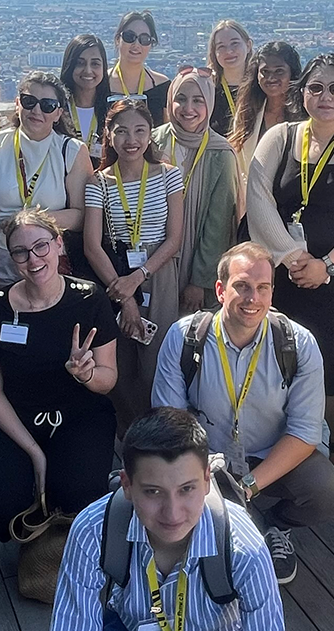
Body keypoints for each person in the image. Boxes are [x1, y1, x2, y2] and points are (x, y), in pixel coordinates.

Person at [152, 241, 334, 583]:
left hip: (270, 457)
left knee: (327, 490)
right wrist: (204, 478)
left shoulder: (298, 344)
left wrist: (244, 489)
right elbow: (170, 422)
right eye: (241, 286)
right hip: (204, 459)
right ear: (220, 290)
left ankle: (276, 525)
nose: (252, 298)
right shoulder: (185, 337)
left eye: (262, 288)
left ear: (272, 292)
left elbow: (304, 433)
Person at [47, 407, 289, 631]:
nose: (172, 513)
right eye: (153, 491)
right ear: (127, 485)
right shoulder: (94, 529)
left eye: (186, 489)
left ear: (207, 480)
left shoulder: (245, 548)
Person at [242, 53, 334, 484]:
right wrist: (291, 257)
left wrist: (329, 265)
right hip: (278, 277)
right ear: (302, 94)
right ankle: (279, 440)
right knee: (277, 358)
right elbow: (258, 198)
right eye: (316, 88)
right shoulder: (280, 137)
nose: (326, 96)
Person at [0, 208, 121, 540]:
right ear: (12, 258)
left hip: (79, 415)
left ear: (59, 244)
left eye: (41, 246)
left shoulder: (89, 298)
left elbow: (109, 380)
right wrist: (35, 452)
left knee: (78, 494)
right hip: (16, 416)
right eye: (21, 252)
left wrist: (86, 375)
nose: (33, 259)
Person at [83, 100, 187, 430]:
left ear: (150, 134)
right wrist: (126, 296)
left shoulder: (169, 175)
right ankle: (131, 432)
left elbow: (174, 239)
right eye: (122, 131)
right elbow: (91, 245)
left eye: (140, 131)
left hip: (158, 271)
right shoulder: (98, 182)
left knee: (158, 356)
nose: (132, 140)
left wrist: (140, 276)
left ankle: (164, 428)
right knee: (121, 360)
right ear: (109, 136)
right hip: (114, 273)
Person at [0, 71, 90, 295]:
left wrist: (28, 221)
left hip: (51, 265)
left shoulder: (72, 151)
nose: (36, 110)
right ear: (17, 104)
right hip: (0, 265)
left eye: (47, 105)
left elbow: (82, 216)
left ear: (58, 113)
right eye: (29, 101)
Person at [152, 68, 239, 314]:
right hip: (154, 257)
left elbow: (219, 225)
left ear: (209, 104)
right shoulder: (153, 142)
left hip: (196, 262)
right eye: (181, 98)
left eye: (198, 100)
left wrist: (200, 280)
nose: (188, 108)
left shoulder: (220, 153)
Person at [227, 41, 303, 180]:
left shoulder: (305, 114)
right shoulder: (246, 113)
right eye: (265, 72)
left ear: (292, 74)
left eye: (279, 71)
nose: (271, 78)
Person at [108, 10, 172, 125]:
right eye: (129, 37)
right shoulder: (100, 84)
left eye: (144, 39)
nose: (136, 44)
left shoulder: (162, 86)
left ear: (151, 44)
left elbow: (167, 130)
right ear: (118, 39)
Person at [60, 34, 112, 154]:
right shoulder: (56, 110)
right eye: (80, 63)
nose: (88, 70)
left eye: (95, 64)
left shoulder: (112, 110)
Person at [205, 20, 253, 137]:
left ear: (248, 45)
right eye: (221, 46)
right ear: (214, 53)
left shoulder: (261, 87)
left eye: (235, 43)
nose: (229, 51)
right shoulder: (207, 89)